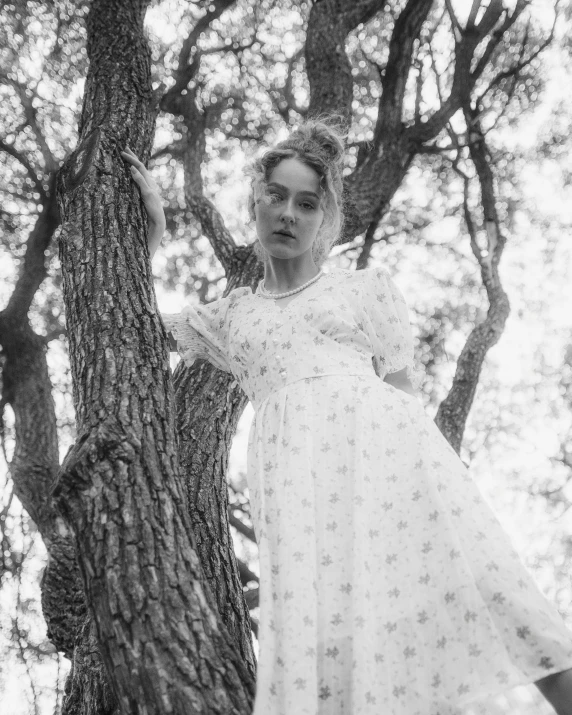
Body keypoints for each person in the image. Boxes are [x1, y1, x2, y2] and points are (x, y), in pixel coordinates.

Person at [121, 122, 572, 715]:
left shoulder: (365, 290)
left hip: (393, 461)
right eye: (276, 196)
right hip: (296, 481)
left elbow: (404, 397)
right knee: (330, 634)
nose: (287, 213)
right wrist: (149, 233)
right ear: (256, 198)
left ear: (323, 215)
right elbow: (137, 325)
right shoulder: (233, 315)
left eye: (306, 203)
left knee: (496, 596)